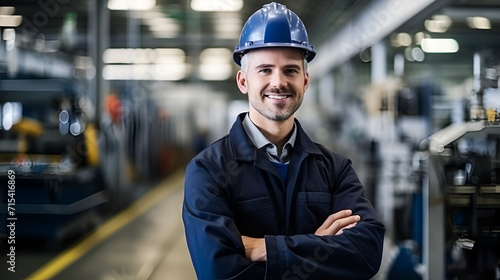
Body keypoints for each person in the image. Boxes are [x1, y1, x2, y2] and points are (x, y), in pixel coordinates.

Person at [182, 2, 385, 279]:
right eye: (265, 70)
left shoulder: (335, 170)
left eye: (290, 70)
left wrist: (265, 248)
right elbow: (218, 271)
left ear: (305, 80)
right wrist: (320, 246)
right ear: (243, 82)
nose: (279, 82)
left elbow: (366, 252)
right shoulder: (209, 171)